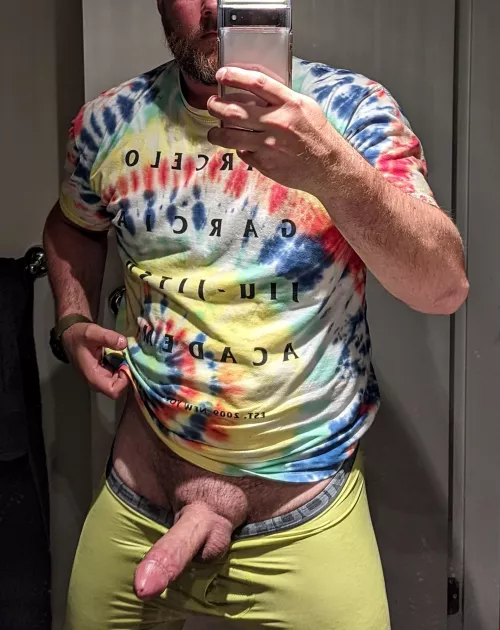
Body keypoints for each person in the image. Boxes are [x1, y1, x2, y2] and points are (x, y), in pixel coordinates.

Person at [43, 0, 469, 628]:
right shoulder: (108, 123)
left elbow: (443, 287)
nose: (216, 6)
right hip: (140, 498)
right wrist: (72, 317)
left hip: (304, 519)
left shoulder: (349, 112)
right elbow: (73, 225)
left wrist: (329, 168)